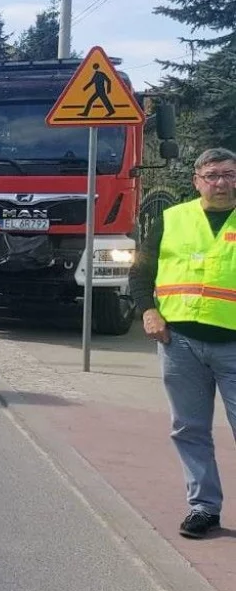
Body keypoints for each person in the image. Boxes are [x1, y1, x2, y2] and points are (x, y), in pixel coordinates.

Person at [129, 147, 236, 539]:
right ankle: (203, 507)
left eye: (228, 174)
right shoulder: (172, 218)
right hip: (180, 343)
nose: (221, 182)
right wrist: (148, 310)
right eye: (212, 175)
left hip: (233, 345)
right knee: (189, 429)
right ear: (197, 181)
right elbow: (141, 270)